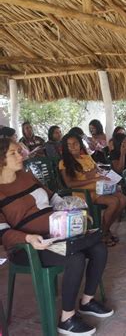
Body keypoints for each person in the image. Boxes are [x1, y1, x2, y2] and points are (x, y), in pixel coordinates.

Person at [0, 138, 113, 335]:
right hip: (29, 246)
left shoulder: (27, 177)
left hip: (57, 233)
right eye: (14, 153)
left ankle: (87, 301)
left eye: (20, 151)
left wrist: (75, 212)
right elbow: (3, 232)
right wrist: (28, 239)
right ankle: (67, 319)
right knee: (75, 257)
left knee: (99, 248)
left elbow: (53, 198)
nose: (21, 155)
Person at [59, 133, 126, 247]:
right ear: (65, 147)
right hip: (84, 193)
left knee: (123, 198)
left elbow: (97, 170)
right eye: (69, 145)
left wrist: (105, 176)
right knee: (114, 202)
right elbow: (70, 184)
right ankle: (102, 234)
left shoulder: (86, 157)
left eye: (75, 143)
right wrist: (93, 178)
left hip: (99, 189)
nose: (72, 147)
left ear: (80, 144)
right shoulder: (64, 163)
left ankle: (105, 230)